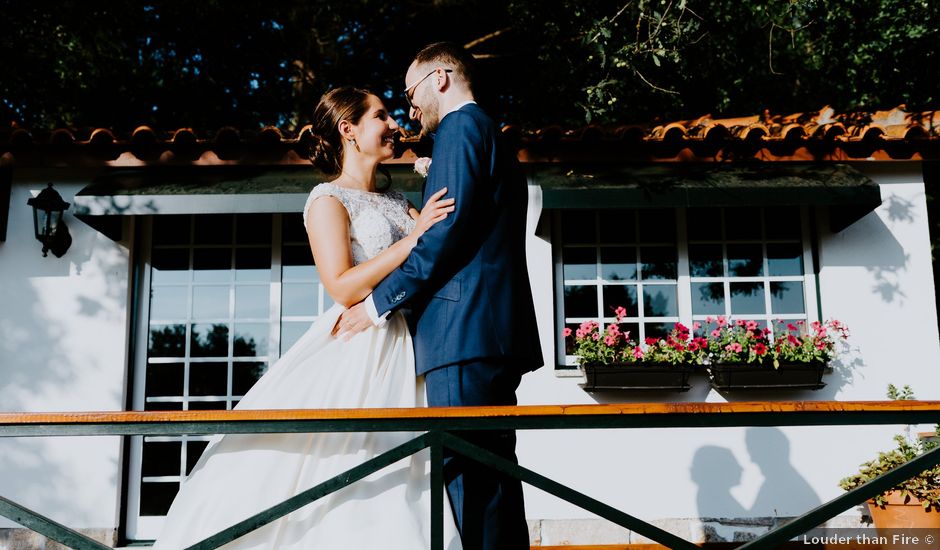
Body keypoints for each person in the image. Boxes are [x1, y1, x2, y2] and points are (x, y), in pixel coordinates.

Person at [151, 86, 462, 549]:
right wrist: (411, 238)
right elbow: (341, 284)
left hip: (407, 342)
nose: (395, 125)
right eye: (381, 116)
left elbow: (432, 255)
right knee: (341, 461)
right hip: (359, 345)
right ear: (348, 129)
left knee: (409, 466)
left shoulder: (398, 200)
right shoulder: (326, 200)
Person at [333, 42, 543, 550]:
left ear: (441, 79)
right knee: (492, 477)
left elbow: (445, 236)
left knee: (469, 475)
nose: (410, 111)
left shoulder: (460, 129)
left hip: (462, 331)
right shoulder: (486, 132)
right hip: (486, 329)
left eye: (410, 94)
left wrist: (378, 305)